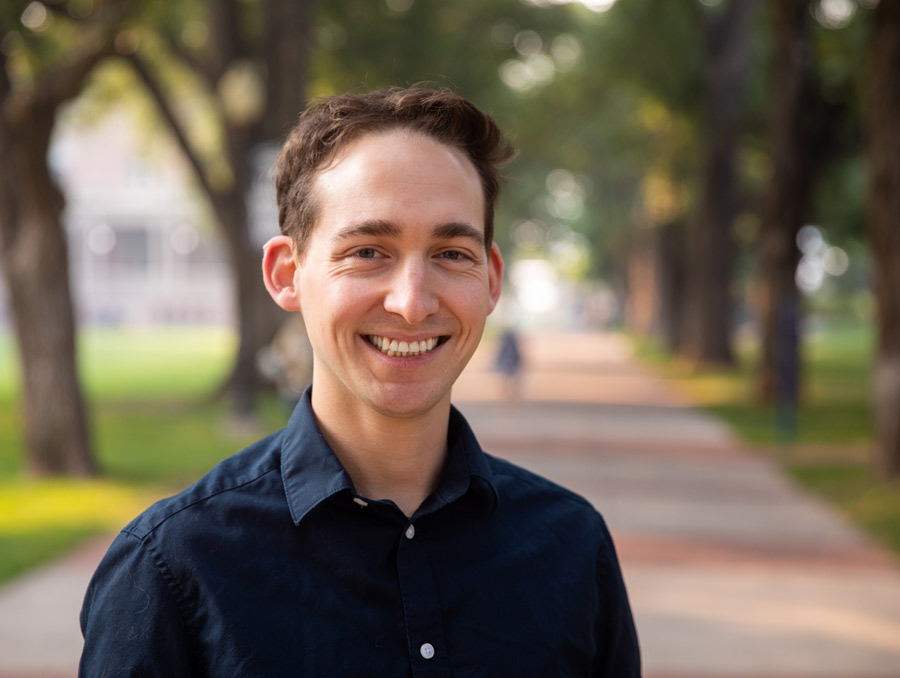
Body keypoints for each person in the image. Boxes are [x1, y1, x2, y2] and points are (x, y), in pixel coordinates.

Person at [79, 87, 640, 677]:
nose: (413, 303)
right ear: (286, 274)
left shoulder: (573, 549)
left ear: (491, 279)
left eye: (451, 254)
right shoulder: (172, 567)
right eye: (369, 250)